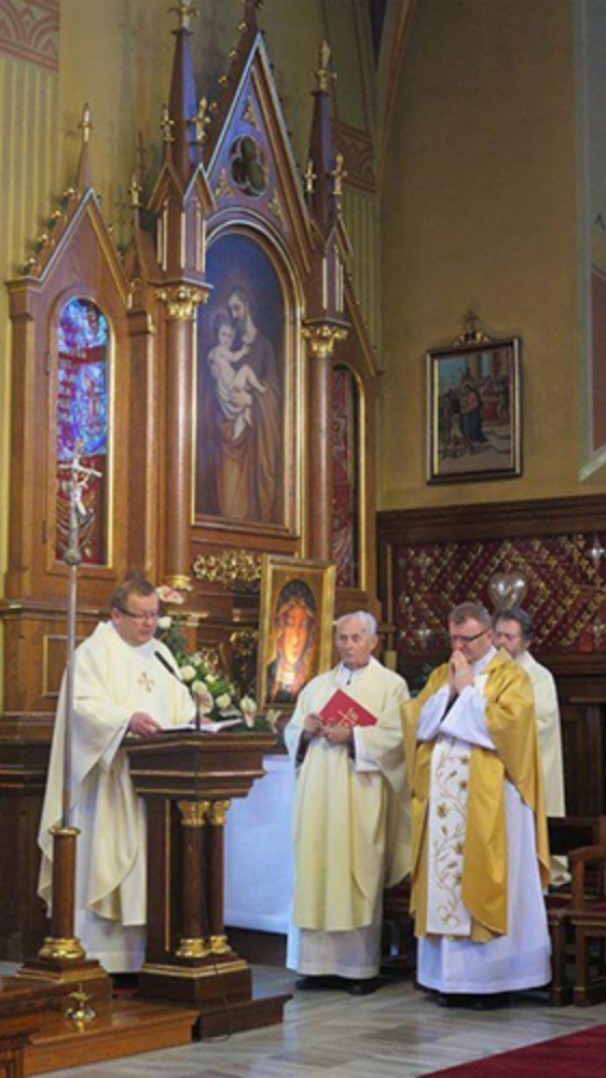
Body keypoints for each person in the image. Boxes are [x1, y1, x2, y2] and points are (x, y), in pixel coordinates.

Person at [38, 578, 195, 973]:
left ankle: (147, 957)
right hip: (109, 781)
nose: (149, 624)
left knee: (149, 868)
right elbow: (82, 707)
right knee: (107, 863)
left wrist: (193, 722)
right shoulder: (94, 653)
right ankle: (104, 959)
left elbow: (182, 703)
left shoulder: (161, 654)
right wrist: (126, 720)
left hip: (155, 784)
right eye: (140, 616)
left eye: (154, 615)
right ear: (116, 615)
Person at [401, 601, 550, 1009]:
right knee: (445, 880)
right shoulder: (441, 674)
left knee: (489, 880)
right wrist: (450, 691)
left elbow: (511, 729)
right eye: (453, 638)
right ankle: (447, 980)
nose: (459, 647)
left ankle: (491, 982)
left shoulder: (511, 677)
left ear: (488, 636)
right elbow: (415, 720)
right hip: (446, 805)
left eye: (466, 639)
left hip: (494, 803)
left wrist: (467, 692)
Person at [285, 611, 411, 995]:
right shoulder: (317, 686)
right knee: (316, 870)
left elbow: (397, 738)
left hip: (361, 794)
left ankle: (358, 969)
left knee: (357, 872)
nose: (349, 645)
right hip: (318, 795)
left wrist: (354, 737)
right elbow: (292, 730)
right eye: (343, 638)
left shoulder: (392, 686)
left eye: (357, 638)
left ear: (373, 642)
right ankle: (315, 966)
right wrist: (304, 732)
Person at [494, 607, 567, 885]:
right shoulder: (487, 673)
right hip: (492, 764)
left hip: (526, 768)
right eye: (498, 635)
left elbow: (542, 721)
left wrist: (499, 726)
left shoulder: (538, 677)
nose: (501, 642)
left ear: (526, 642)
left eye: (509, 637)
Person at [207, 313, 267, 439]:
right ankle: (260, 388)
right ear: (217, 334)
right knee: (245, 369)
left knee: (242, 410)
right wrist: (243, 351)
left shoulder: (213, 352)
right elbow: (234, 358)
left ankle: (243, 418)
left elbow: (210, 362)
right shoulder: (220, 349)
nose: (226, 339)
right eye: (223, 334)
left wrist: (212, 365)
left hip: (226, 388)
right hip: (231, 385)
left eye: (229, 336)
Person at [266, 579, 317, 704]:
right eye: (290, 625)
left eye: (303, 626)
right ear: (280, 628)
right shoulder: (263, 678)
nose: (296, 639)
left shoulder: (314, 683)